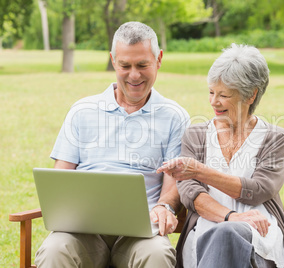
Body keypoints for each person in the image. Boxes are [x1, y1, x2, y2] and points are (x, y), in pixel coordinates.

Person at [35, 21, 190, 268]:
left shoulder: (174, 116)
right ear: (113, 60)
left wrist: (165, 207)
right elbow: (60, 180)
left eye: (142, 65)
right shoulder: (82, 111)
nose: (134, 75)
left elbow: (174, 185)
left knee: (158, 255)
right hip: (83, 232)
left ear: (159, 59)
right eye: (125, 65)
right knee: (54, 250)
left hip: (141, 234)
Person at [157, 44, 284, 268]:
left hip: (259, 237)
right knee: (224, 233)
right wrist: (230, 217)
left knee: (229, 234)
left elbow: (259, 189)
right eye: (211, 92)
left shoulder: (275, 138)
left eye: (223, 95)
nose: (214, 102)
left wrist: (199, 171)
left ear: (251, 94)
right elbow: (189, 193)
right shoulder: (196, 135)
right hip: (206, 232)